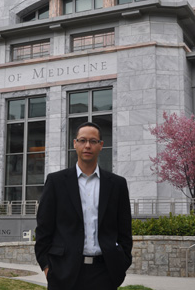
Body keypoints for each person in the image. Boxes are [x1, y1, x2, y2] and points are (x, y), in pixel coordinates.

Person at [35, 122, 132, 290]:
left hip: (104, 273)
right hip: (63, 274)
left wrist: (121, 264)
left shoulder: (117, 184)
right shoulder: (56, 182)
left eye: (93, 141)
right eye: (82, 140)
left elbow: (125, 231)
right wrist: (47, 267)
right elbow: (43, 229)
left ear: (101, 145)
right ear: (75, 144)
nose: (87, 145)